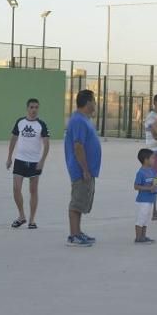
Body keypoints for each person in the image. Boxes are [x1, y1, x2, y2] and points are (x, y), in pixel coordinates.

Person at [6, 98, 50, 229]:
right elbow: (13, 140)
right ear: (27, 108)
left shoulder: (41, 124)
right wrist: (9, 158)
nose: (34, 110)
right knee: (16, 188)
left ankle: (32, 220)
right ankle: (21, 216)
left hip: (34, 162)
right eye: (31, 107)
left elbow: (47, 145)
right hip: (20, 160)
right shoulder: (20, 122)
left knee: (33, 190)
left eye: (36, 107)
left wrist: (42, 161)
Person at [64, 89, 101, 247]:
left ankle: (78, 232)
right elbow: (78, 147)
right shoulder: (78, 120)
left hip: (87, 170)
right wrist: (85, 169)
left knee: (81, 202)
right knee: (77, 202)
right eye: (94, 100)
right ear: (88, 102)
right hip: (81, 170)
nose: (95, 104)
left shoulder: (84, 119)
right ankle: (73, 235)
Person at [133, 149, 157, 244]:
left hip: (150, 200)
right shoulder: (141, 173)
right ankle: (138, 237)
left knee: (146, 219)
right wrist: (148, 188)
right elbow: (136, 186)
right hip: (143, 200)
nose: (154, 160)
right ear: (145, 160)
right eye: (152, 158)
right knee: (141, 218)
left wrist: (156, 185)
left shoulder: (152, 171)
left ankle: (143, 236)